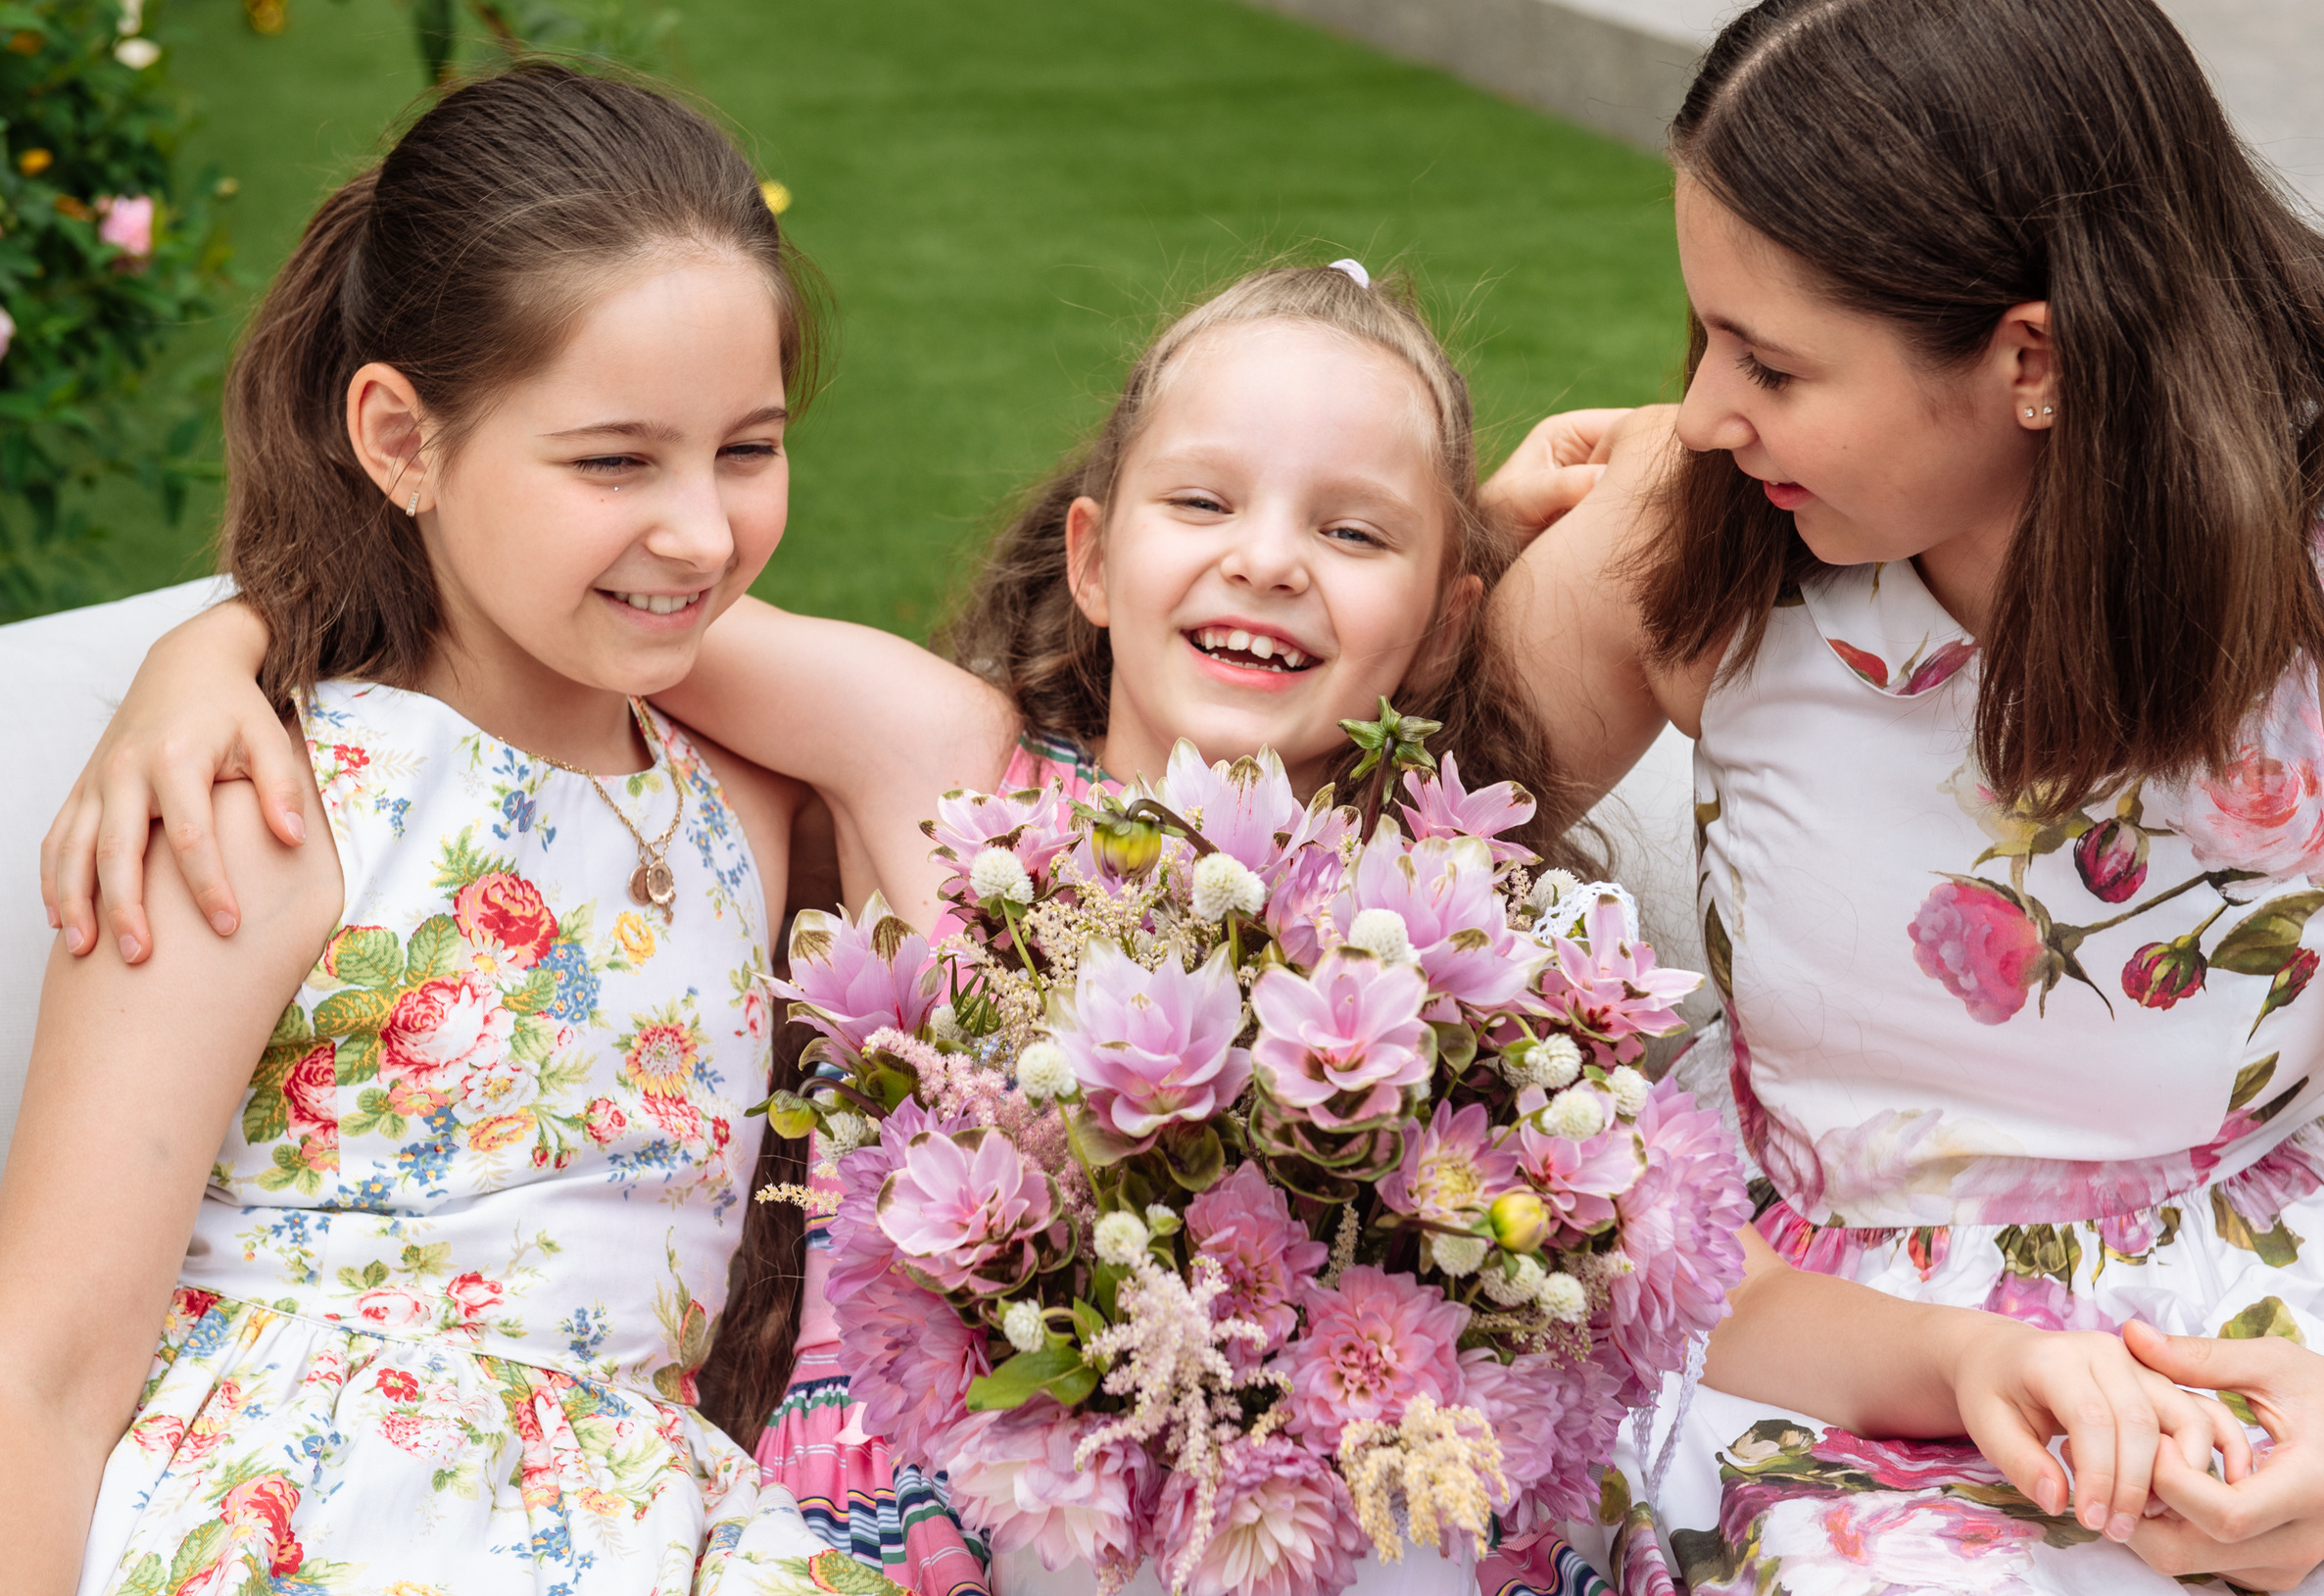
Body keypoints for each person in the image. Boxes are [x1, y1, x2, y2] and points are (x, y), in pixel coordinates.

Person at [33, 263, 1637, 1593]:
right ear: (1091, 555)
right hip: (921, 1513)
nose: (1270, 558)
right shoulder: (946, 760)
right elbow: (522, 587)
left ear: (1438, 621)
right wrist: (220, 645)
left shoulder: (1429, 909)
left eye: (1350, 535)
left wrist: (1462, 532)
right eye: (1205, 499)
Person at [1483, 0, 2324, 1587]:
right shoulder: (1696, 536)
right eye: (1709, 340)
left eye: (1775, 362)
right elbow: (1354, 867)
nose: (1709, 413)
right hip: (1798, 1354)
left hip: (2281, 1354)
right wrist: (1464, 538)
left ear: (2031, 360)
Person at [0, 64, 858, 1595]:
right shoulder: (259, 799)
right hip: (308, 1511)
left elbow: (965, 737)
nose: (703, 532)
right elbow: (45, 1369)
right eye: (614, 458)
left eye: (747, 447)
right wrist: (210, 653)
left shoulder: (750, 795)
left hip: (650, 1524)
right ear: (402, 438)